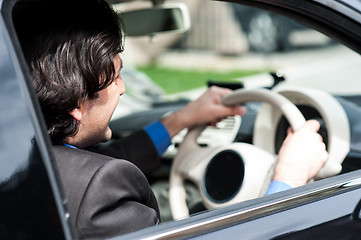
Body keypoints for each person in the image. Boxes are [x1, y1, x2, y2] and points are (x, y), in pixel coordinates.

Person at [15, 0, 328, 238]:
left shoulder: (31, 159)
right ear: (75, 103)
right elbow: (98, 177)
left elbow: (103, 161)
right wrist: (287, 182)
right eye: (115, 78)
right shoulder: (97, 188)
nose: (123, 89)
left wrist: (182, 118)